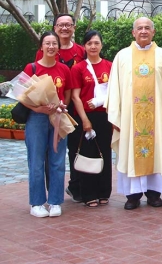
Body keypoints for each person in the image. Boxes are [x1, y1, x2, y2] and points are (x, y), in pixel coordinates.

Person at [106, 17, 162, 210]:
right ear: (133, 33)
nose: (143, 31)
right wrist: (115, 115)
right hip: (130, 119)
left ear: (153, 32)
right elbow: (115, 88)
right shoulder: (122, 56)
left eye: (147, 28)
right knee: (130, 153)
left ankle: (154, 194)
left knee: (157, 151)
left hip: (157, 118)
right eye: (139, 28)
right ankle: (133, 196)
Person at [35, 14, 85, 203]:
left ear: (74, 27)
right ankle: (51, 188)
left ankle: (76, 185)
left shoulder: (81, 51)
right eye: (61, 25)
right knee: (51, 151)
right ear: (55, 27)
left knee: (75, 148)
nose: (65, 28)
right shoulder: (44, 51)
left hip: (74, 109)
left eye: (68, 25)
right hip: (51, 111)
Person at [25, 31, 72, 217]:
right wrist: (36, 109)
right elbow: (22, 95)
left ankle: (55, 201)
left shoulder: (64, 69)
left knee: (57, 161)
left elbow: (67, 93)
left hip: (58, 118)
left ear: (58, 47)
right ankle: (36, 203)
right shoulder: (32, 68)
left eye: (54, 43)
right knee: (36, 161)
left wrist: (61, 105)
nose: (51, 47)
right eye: (47, 43)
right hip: (36, 119)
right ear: (41, 47)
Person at [70, 31, 113, 208]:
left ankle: (104, 192)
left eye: (96, 43)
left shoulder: (110, 66)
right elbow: (75, 96)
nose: (93, 46)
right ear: (84, 46)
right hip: (86, 117)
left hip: (105, 117)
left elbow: (116, 92)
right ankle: (88, 194)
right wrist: (85, 120)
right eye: (89, 43)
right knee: (89, 154)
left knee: (105, 153)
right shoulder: (78, 68)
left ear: (101, 45)